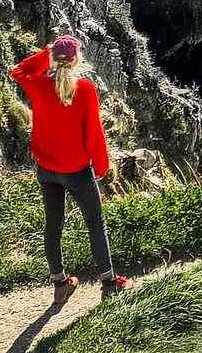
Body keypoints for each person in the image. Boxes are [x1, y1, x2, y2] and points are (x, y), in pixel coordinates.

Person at [9, 34, 128, 305]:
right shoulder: (84, 89)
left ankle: (60, 283)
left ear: (54, 60)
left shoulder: (38, 85)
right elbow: (93, 133)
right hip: (76, 169)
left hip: (47, 168)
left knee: (53, 226)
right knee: (96, 224)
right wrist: (101, 166)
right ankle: (109, 283)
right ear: (77, 60)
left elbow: (17, 71)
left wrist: (46, 53)